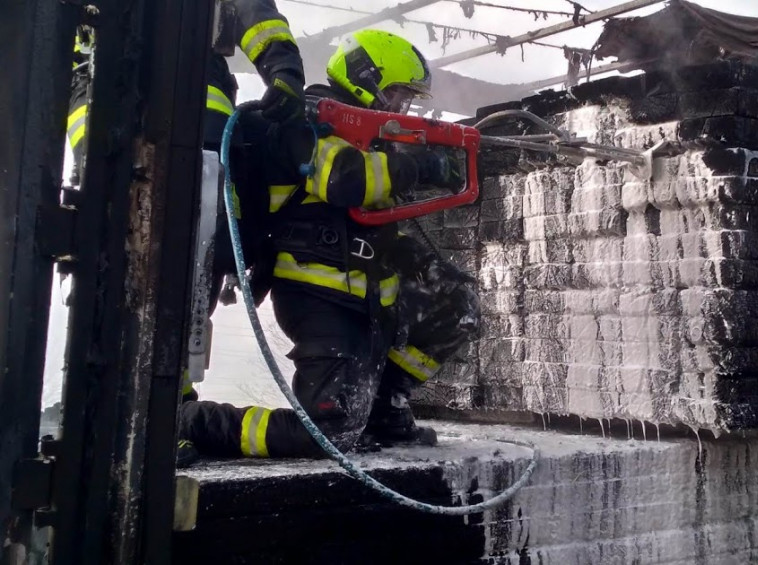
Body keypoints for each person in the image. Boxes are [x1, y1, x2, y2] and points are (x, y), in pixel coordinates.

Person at [175, 29, 480, 464]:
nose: (401, 106)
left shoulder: (369, 134)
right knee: (325, 435)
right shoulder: (303, 120)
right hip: (319, 293)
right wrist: (420, 165)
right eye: (396, 92)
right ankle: (194, 421)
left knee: (458, 305)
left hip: (370, 288)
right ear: (365, 77)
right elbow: (346, 179)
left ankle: (384, 408)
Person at [65, 1, 305, 409]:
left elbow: (252, 12)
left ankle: (160, 402)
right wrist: (284, 71)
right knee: (151, 250)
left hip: (141, 103)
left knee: (184, 251)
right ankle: (126, 399)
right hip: (159, 101)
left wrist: (284, 70)